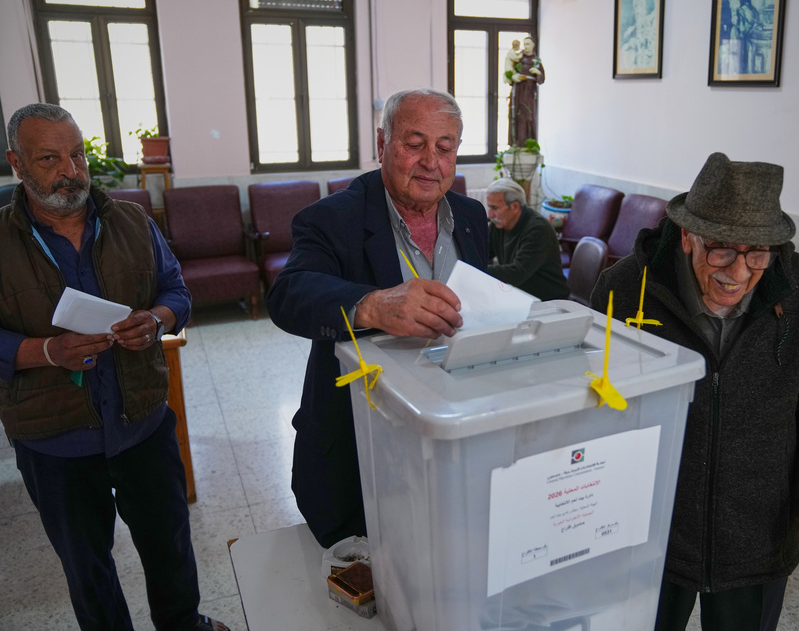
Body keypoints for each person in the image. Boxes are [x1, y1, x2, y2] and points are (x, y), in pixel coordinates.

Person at [592, 153, 799, 631]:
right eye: (721, 250)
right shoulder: (624, 290)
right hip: (649, 533)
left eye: (757, 253)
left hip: (758, 533)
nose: (738, 272)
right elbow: (594, 409)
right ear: (688, 235)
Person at [0, 103, 229, 631]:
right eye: (49, 159)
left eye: (77, 154)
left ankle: (183, 625)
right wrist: (48, 351)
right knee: (87, 566)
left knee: (169, 546)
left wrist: (155, 320)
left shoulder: (130, 220)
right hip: (53, 439)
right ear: (17, 163)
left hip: (142, 421)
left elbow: (177, 292)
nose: (70, 171)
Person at [266, 89, 489, 548]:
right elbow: (288, 294)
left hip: (449, 436)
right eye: (415, 143)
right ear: (382, 141)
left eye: (445, 148)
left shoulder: (471, 216)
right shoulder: (332, 218)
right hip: (359, 447)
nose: (431, 161)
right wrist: (371, 305)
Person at [485, 178, 569, 302]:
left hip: (550, 301)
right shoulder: (498, 226)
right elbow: (482, 253)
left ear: (514, 207)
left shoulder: (538, 229)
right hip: (520, 295)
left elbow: (517, 273)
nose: (490, 215)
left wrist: (475, 269)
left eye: (495, 208)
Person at [508, 35, 544, 147]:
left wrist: (537, 73)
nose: (526, 46)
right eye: (525, 44)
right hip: (518, 91)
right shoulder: (519, 58)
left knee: (529, 116)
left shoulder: (536, 61)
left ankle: (529, 143)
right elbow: (509, 72)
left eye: (528, 44)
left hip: (529, 93)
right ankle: (516, 143)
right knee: (517, 115)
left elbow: (541, 79)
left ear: (533, 45)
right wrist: (513, 77)